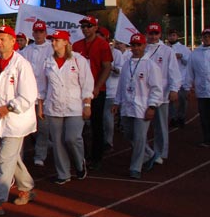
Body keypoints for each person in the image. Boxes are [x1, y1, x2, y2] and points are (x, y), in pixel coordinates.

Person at [0, 26, 37, 216]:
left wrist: (8, 108)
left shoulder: (22, 65)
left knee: (5, 159)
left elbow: (28, 96)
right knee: (2, 156)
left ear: (13, 41)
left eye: (3, 39)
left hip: (16, 120)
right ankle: (27, 186)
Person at [37, 30, 94, 185]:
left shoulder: (78, 60)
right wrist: (40, 106)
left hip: (74, 105)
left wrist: (87, 104)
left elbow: (87, 83)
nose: (53, 43)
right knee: (57, 141)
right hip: (54, 105)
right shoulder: (48, 61)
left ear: (65, 42)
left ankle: (79, 162)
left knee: (72, 138)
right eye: (52, 40)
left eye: (57, 40)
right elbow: (42, 85)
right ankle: (63, 173)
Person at [113, 33, 163, 179]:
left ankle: (136, 167)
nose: (135, 48)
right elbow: (121, 85)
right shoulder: (127, 64)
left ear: (144, 46)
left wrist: (152, 106)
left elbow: (156, 88)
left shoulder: (150, 65)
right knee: (129, 134)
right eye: (133, 45)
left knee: (140, 137)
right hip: (128, 106)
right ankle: (150, 154)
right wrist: (117, 102)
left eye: (138, 45)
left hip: (143, 107)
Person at [72, 16, 113, 170]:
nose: (85, 29)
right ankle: (81, 155)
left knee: (96, 124)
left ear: (96, 28)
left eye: (89, 26)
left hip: (98, 91)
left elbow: (106, 67)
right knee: (79, 126)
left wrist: (97, 87)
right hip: (79, 92)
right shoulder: (76, 45)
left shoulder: (102, 45)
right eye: (83, 26)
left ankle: (97, 157)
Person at [142, 23, 181, 165]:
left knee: (161, 125)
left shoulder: (167, 51)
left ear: (159, 35)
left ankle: (161, 152)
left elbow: (174, 71)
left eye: (155, 34)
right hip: (144, 94)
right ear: (146, 34)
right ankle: (146, 153)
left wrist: (174, 88)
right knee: (142, 127)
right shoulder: (142, 48)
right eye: (150, 34)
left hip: (162, 94)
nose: (153, 37)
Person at [20, 20, 53, 167]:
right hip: (28, 95)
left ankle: (40, 155)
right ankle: (19, 156)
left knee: (43, 128)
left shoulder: (51, 49)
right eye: (36, 32)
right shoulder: (26, 50)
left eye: (41, 32)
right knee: (24, 127)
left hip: (45, 96)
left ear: (45, 33)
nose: (39, 34)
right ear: (32, 33)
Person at [186, 28, 210, 147]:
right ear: (202, 38)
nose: (207, 38)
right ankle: (207, 139)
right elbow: (190, 71)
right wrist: (187, 86)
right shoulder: (195, 53)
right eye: (205, 36)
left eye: (209, 36)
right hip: (202, 91)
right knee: (204, 117)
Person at [166, 29, 191, 128]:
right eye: (170, 35)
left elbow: (189, 62)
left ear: (177, 36)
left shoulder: (183, 48)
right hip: (169, 79)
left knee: (182, 100)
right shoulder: (165, 48)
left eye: (173, 35)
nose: (171, 37)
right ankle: (173, 118)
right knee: (170, 101)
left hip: (181, 79)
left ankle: (181, 117)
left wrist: (182, 56)